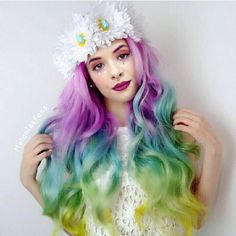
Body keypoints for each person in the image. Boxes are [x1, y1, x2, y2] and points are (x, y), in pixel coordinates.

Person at [20, 2, 222, 236]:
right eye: (98, 66)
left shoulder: (171, 131)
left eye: (122, 55)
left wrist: (214, 149)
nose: (115, 71)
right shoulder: (81, 143)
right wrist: (29, 182)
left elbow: (195, 219)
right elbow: (79, 230)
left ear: (138, 57)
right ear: (89, 79)